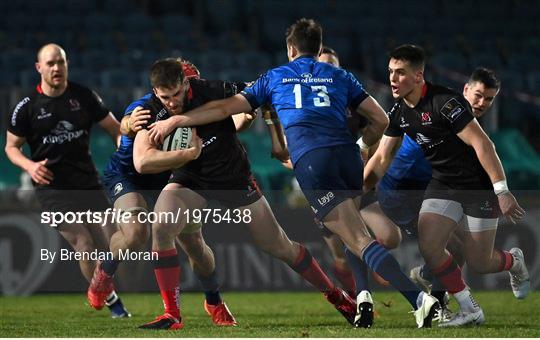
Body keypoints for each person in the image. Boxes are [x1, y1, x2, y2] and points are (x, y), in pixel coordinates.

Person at [148, 19, 440, 329]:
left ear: (290, 49)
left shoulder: (276, 76)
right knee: (354, 233)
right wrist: (362, 145)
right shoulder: (340, 75)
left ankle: (419, 301)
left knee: (355, 238)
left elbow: (224, 109)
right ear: (317, 48)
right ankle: (363, 297)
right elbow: (381, 121)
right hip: (348, 157)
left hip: (313, 161)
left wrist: (174, 122)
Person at [130, 57, 357, 330]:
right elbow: (141, 162)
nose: (172, 101)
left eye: (176, 94)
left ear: (187, 82)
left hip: (233, 177)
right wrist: (186, 154)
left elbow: (264, 94)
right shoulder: (149, 109)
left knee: (278, 246)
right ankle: (172, 314)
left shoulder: (213, 90)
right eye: (165, 96)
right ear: (156, 91)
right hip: (190, 178)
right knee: (163, 224)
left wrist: (274, 138)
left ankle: (336, 295)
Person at [363, 44, 527, 327]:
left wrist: (502, 190)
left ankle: (514, 262)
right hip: (442, 183)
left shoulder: (445, 103)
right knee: (430, 245)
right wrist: (356, 192)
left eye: (400, 73)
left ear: (418, 76)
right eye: (390, 72)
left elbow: (482, 143)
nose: (392, 78)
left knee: (479, 262)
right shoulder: (400, 110)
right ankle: (469, 308)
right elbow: (381, 158)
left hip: (477, 186)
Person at [87, 59, 243, 326]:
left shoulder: (201, 107)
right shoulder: (149, 108)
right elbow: (130, 132)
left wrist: (248, 114)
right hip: (130, 177)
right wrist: (127, 123)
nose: (181, 98)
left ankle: (214, 300)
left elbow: (234, 120)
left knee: (194, 243)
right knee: (137, 234)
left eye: (188, 89)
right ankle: (106, 271)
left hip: (173, 178)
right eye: (171, 93)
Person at [4, 43, 130, 318]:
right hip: (52, 189)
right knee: (83, 245)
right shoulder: (27, 107)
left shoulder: (83, 96)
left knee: (116, 242)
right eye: (50, 63)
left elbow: (114, 128)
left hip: (88, 183)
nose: (56, 68)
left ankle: (100, 284)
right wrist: (29, 166)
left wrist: (123, 151)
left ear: (67, 64)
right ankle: (113, 304)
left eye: (60, 62)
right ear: (39, 68)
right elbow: (11, 147)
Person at [269, 46, 401, 305]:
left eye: (333, 66)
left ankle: (372, 258)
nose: (328, 70)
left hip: (356, 180)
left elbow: (375, 136)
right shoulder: (303, 106)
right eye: (324, 65)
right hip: (325, 185)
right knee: (341, 256)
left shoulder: (352, 99)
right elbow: (290, 153)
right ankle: (357, 297)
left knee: (390, 236)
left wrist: (364, 154)